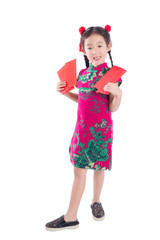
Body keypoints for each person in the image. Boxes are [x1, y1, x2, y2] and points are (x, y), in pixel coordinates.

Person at [45, 25, 123, 231]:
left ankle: (95, 201)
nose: (95, 51)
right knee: (78, 171)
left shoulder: (112, 75)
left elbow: (112, 108)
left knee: (99, 168)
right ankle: (71, 217)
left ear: (109, 46)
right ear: (82, 49)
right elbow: (83, 100)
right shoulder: (82, 75)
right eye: (89, 47)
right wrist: (65, 93)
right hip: (81, 130)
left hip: (101, 130)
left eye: (99, 45)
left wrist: (117, 93)